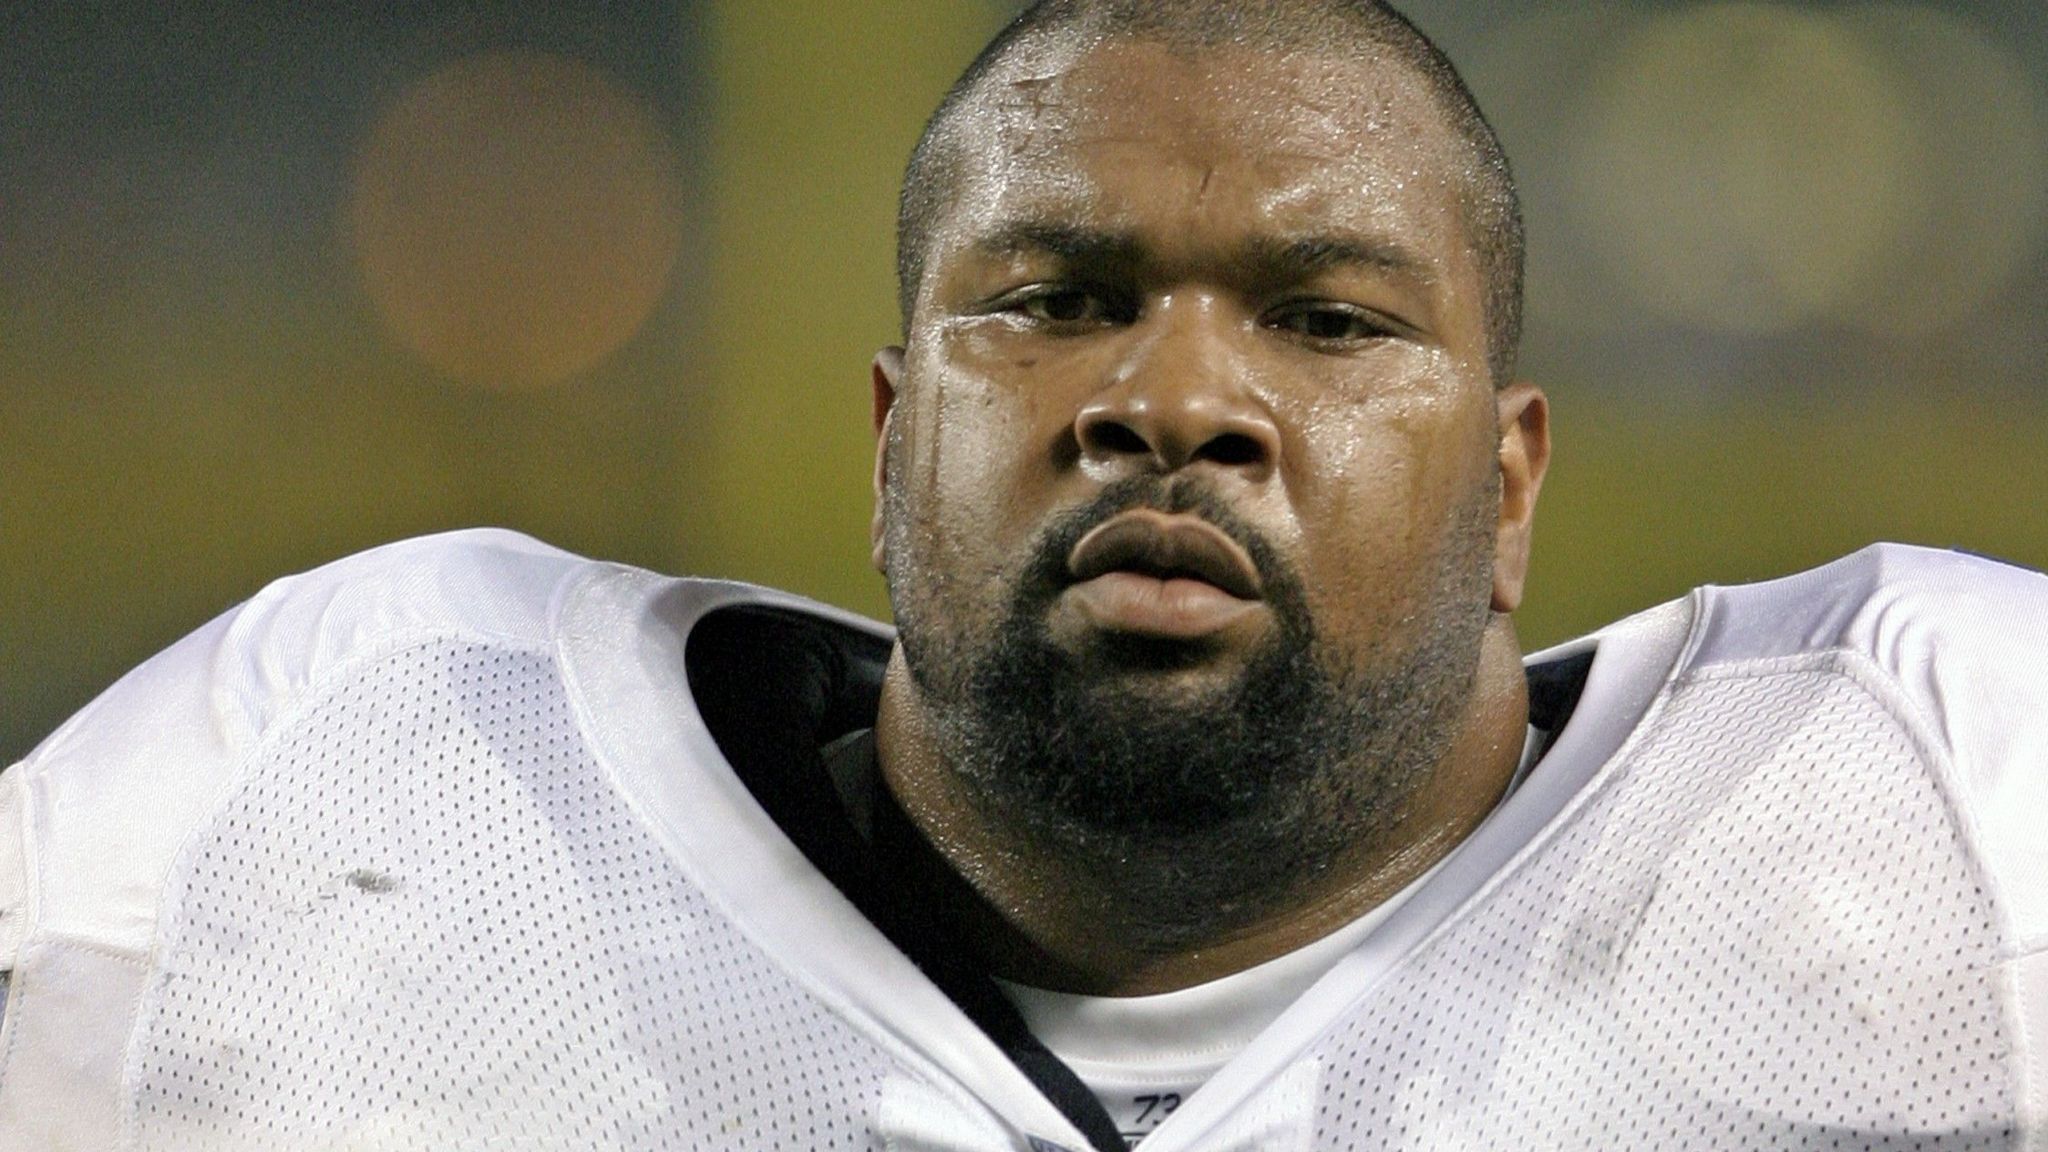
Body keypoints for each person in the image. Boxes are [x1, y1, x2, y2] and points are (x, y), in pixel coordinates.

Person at [1, 1, 2043, 1148]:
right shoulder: (343, 787)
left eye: (1328, 322)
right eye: (1056, 298)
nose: (1174, 402)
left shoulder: (1945, 809)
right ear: (894, 444)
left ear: (1510, 491)